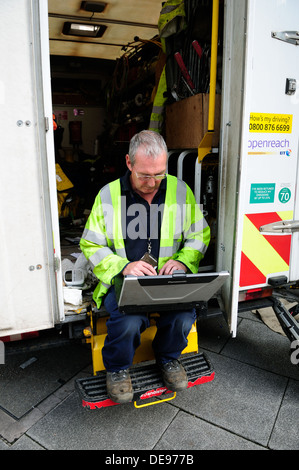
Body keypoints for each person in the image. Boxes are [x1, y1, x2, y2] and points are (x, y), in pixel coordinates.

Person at [80, 130, 210, 403]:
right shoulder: (108, 195)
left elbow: (199, 235)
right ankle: (117, 369)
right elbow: (91, 244)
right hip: (124, 280)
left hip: (169, 279)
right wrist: (123, 266)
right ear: (129, 163)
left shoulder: (179, 190)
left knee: (184, 317)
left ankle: (168, 360)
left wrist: (183, 261)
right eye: (145, 175)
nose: (153, 182)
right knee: (127, 323)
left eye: (159, 174)